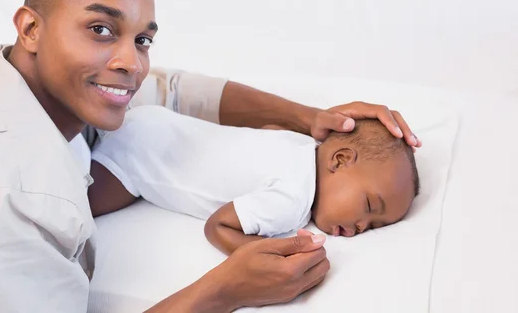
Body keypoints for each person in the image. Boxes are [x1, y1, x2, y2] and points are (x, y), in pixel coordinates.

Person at [0, 0, 420, 312]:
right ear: (30, 27)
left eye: (142, 40)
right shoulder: (3, 201)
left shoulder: (22, 83)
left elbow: (174, 89)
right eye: (100, 29)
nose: (131, 63)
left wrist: (313, 119)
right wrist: (225, 289)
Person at [90, 105, 420, 255]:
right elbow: (217, 227)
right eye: (368, 206)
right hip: (132, 161)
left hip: (151, 119)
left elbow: (266, 133)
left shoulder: (302, 143)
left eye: (375, 226)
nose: (363, 225)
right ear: (341, 159)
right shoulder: (292, 200)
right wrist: (272, 251)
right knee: (70, 206)